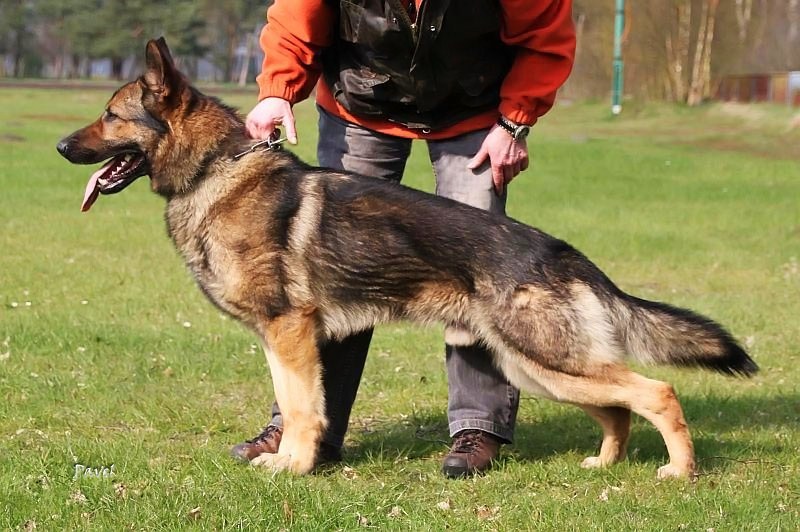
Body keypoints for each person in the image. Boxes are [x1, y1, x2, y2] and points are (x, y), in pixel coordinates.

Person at [231, 0, 576, 478]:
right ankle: (303, 431)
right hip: (359, 107)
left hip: (474, 113)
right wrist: (277, 91)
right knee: (332, 272)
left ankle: (478, 426)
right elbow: (295, 16)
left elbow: (544, 36)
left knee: (477, 270)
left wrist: (514, 122)